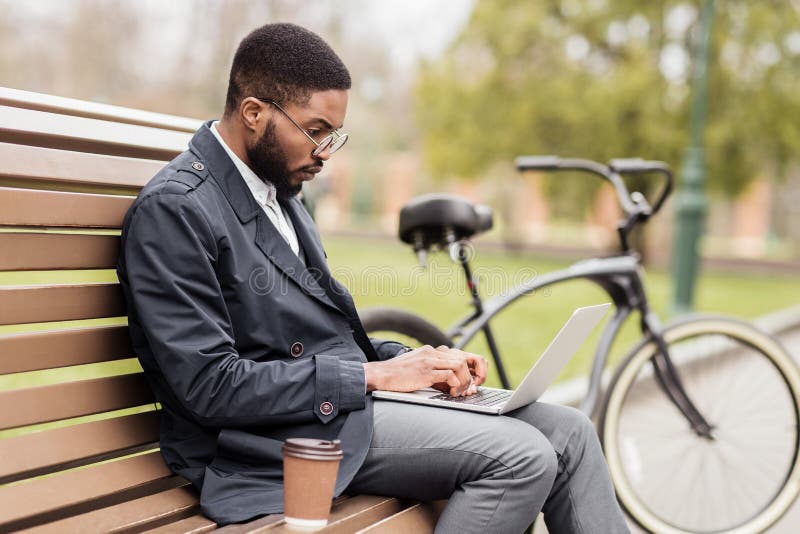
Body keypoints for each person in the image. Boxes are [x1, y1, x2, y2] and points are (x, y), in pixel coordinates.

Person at [117, 22, 629, 534]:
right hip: (262, 444)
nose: (326, 154)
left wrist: (414, 363)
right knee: (522, 457)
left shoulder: (278, 196)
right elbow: (210, 386)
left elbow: (324, 340)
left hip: (331, 411)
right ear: (253, 113)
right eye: (315, 131)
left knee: (570, 432)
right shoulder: (176, 211)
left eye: (334, 136)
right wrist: (370, 377)